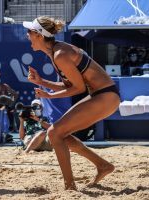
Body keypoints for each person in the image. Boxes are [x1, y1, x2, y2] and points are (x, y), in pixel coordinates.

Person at [23, 16, 120, 190]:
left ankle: (70, 186)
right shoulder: (56, 52)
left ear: (39, 35)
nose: (27, 35)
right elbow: (70, 84)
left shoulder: (60, 54)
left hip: (105, 96)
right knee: (58, 134)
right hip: (101, 95)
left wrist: (50, 96)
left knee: (54, 133)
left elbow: (78, 88)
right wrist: (42, 82)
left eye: (29, 32)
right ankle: (103, 166)